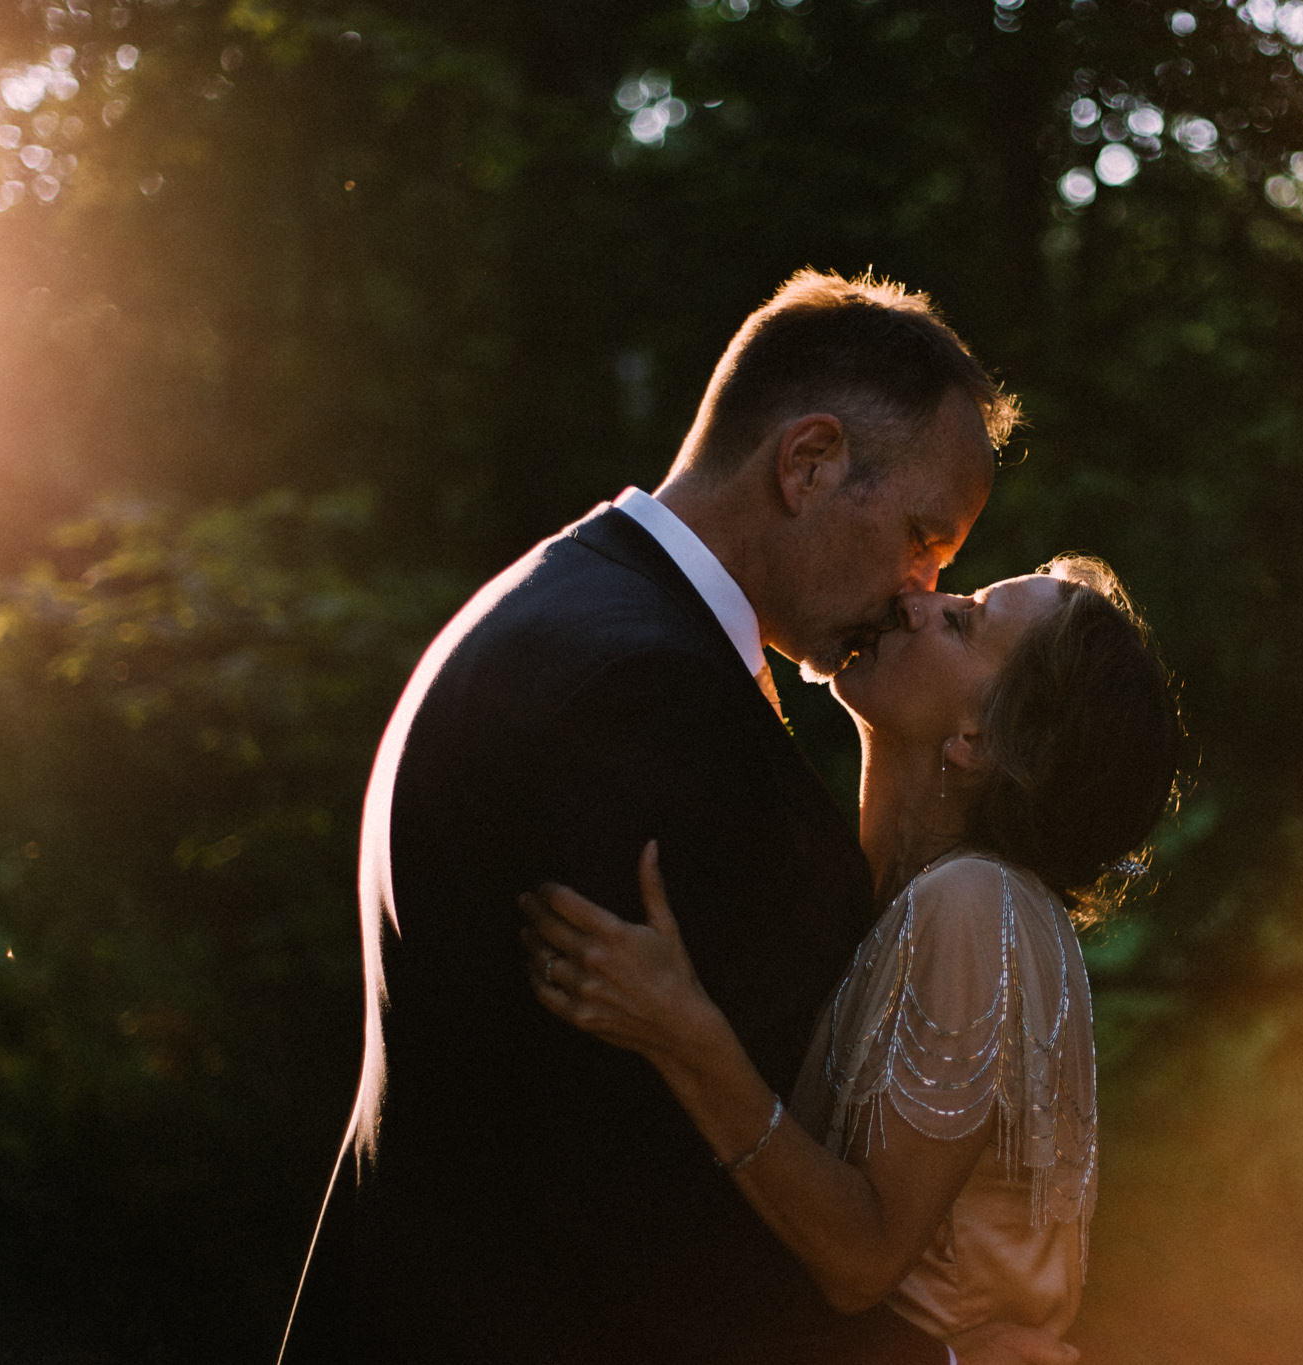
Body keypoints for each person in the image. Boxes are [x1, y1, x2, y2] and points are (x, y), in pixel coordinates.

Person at [277, 270, 1054, 1364]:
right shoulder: (651, 699)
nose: (919, 590)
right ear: (809, 462)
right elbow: (655, 1202)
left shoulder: (557, 597)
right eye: (923, 536)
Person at [519, 554, 1182, 1352]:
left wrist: (680, 1028)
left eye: (962, 618)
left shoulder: (976, 904)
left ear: (978, 737)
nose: (917, 601)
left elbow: (865, 1258)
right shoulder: (917, 899)